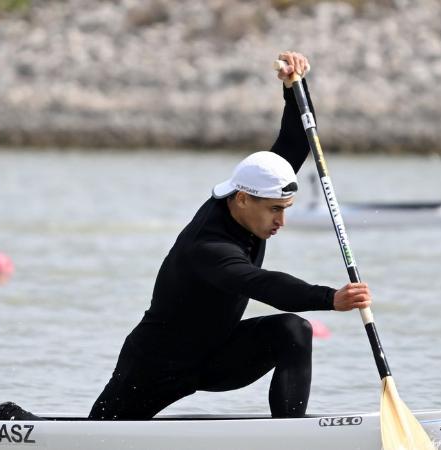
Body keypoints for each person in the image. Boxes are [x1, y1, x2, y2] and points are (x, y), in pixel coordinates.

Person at [83, 51, 371, 420]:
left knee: (293, 331)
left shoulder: (256, 199)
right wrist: (330, 298)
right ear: (242, 199)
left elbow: (296, 144)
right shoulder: (208, 246)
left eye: (286, 208)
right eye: (276, 210)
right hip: (154, 366)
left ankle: (290, 436)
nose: (281, 220)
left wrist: (294, 88)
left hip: (218, 355)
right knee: (97, 432)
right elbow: (263, 284)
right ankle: (12, 418)